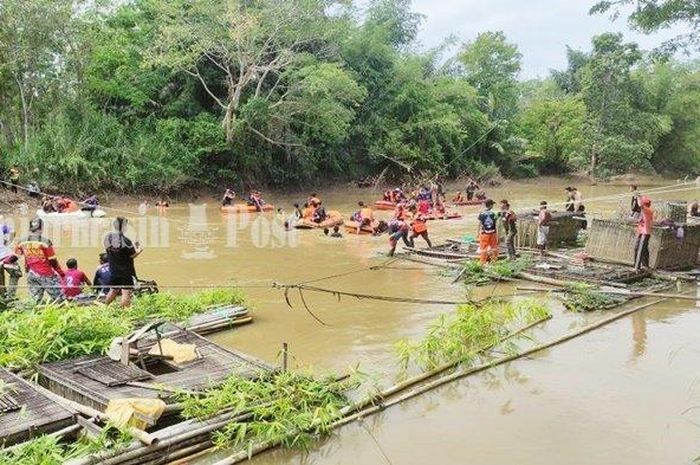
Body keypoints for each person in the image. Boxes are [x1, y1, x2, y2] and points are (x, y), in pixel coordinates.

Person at [15, 218, 64, 303]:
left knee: (35, 300)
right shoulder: (45, 242)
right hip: (46, 274)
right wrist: (61, 274)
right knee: (59, 298)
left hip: (31, 274)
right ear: (41, 228)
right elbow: (53, 261)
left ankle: (35, 313)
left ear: (30, 228)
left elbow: (14, 257)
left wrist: (4, 262)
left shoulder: (21, 242)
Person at [104, 217, 143, 308]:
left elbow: (108, 250)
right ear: (124, 227)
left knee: (113, 290)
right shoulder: (126, 241)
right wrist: (139, 250)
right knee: (126, 292)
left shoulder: (107, 237)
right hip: (125, 271)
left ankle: (104, 308)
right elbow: (132, 255)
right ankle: (124, 312)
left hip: (113, 269)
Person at [634, 197, 654, 271]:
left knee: (640, 249)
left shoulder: (647, 210)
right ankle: (645, 265)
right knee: (641, 248)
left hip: (645, 232)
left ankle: (637, 267)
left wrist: (638, 197)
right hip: (641, 232)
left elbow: (640, 205)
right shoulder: (645, 211)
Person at [477, 199, 499, 264]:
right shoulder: (493, 214)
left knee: (483, 248)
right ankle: (494, 261)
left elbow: (479, 224)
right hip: (493, 233)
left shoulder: (481, 214)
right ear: (491, 205)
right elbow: (496, 224)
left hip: (484, 234)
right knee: (494, 247)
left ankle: (482, 262)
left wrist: (478, 233)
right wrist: (497, 233)